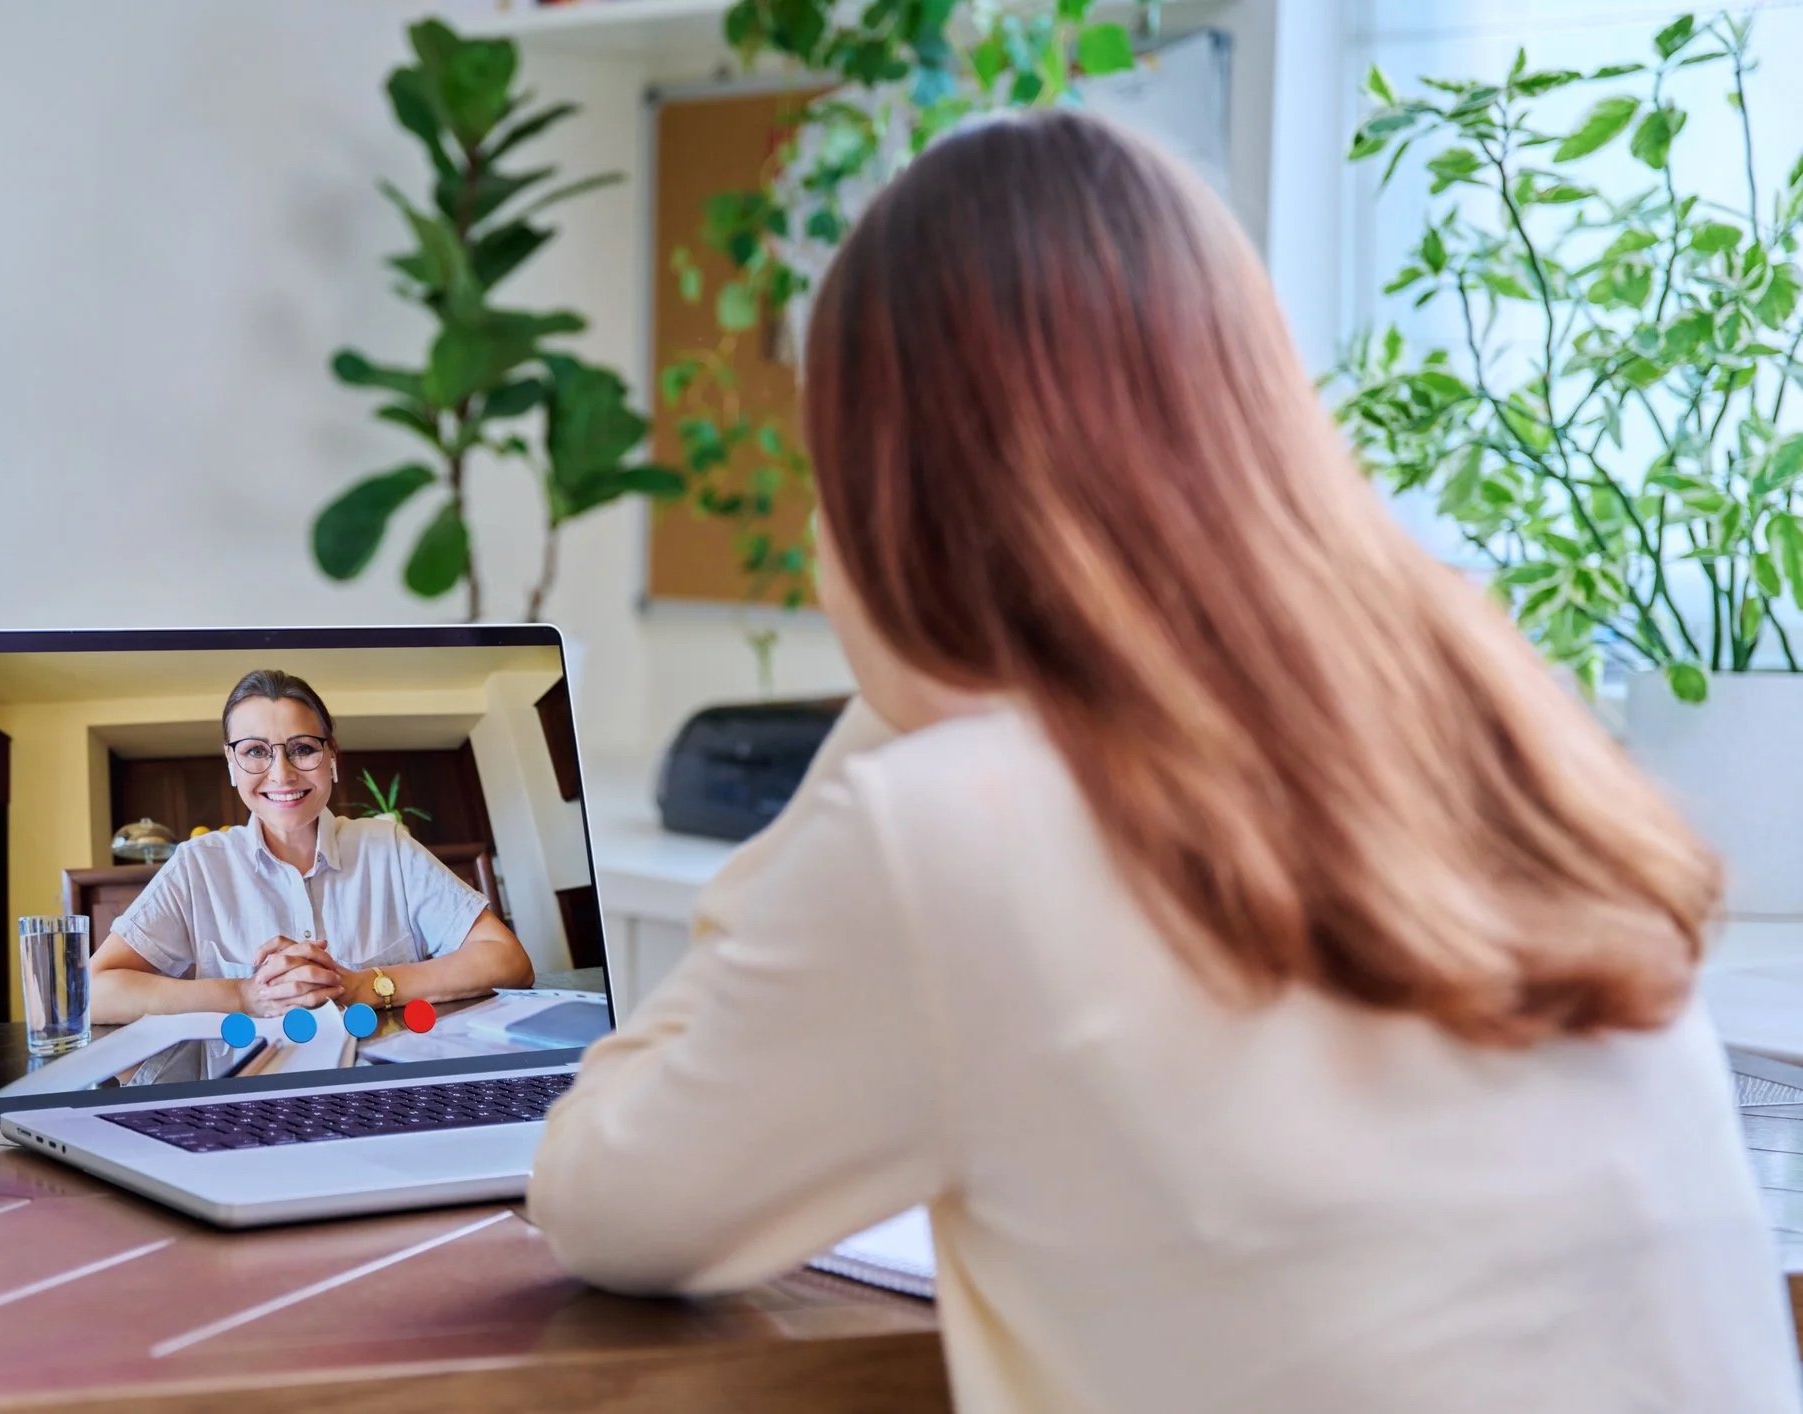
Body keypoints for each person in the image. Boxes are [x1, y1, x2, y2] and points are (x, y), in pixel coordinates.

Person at [528, 111, 1800, 1411]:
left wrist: (912, 700)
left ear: (891, 495)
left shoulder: (952, 826)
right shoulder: (1491, 730)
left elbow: (608, 1196)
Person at [88, 669, 533, 1025]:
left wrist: (365, 985)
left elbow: (507, 958)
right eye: (256, 751)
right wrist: (245, 993)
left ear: (332, 757)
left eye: (302, 748)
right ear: (231, 763)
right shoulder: (197, 865)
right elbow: (94, 992)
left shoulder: (388, 847)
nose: (281, 774)